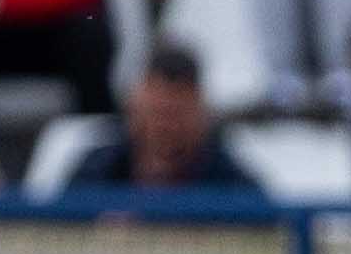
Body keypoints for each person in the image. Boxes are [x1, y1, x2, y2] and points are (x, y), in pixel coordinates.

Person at [64, 47, 264, 190]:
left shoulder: (231, 185)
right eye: (156, 113)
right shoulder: (96, 173)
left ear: (201, 116)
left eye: (176, 114)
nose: (165, 127)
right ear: (134, 110)